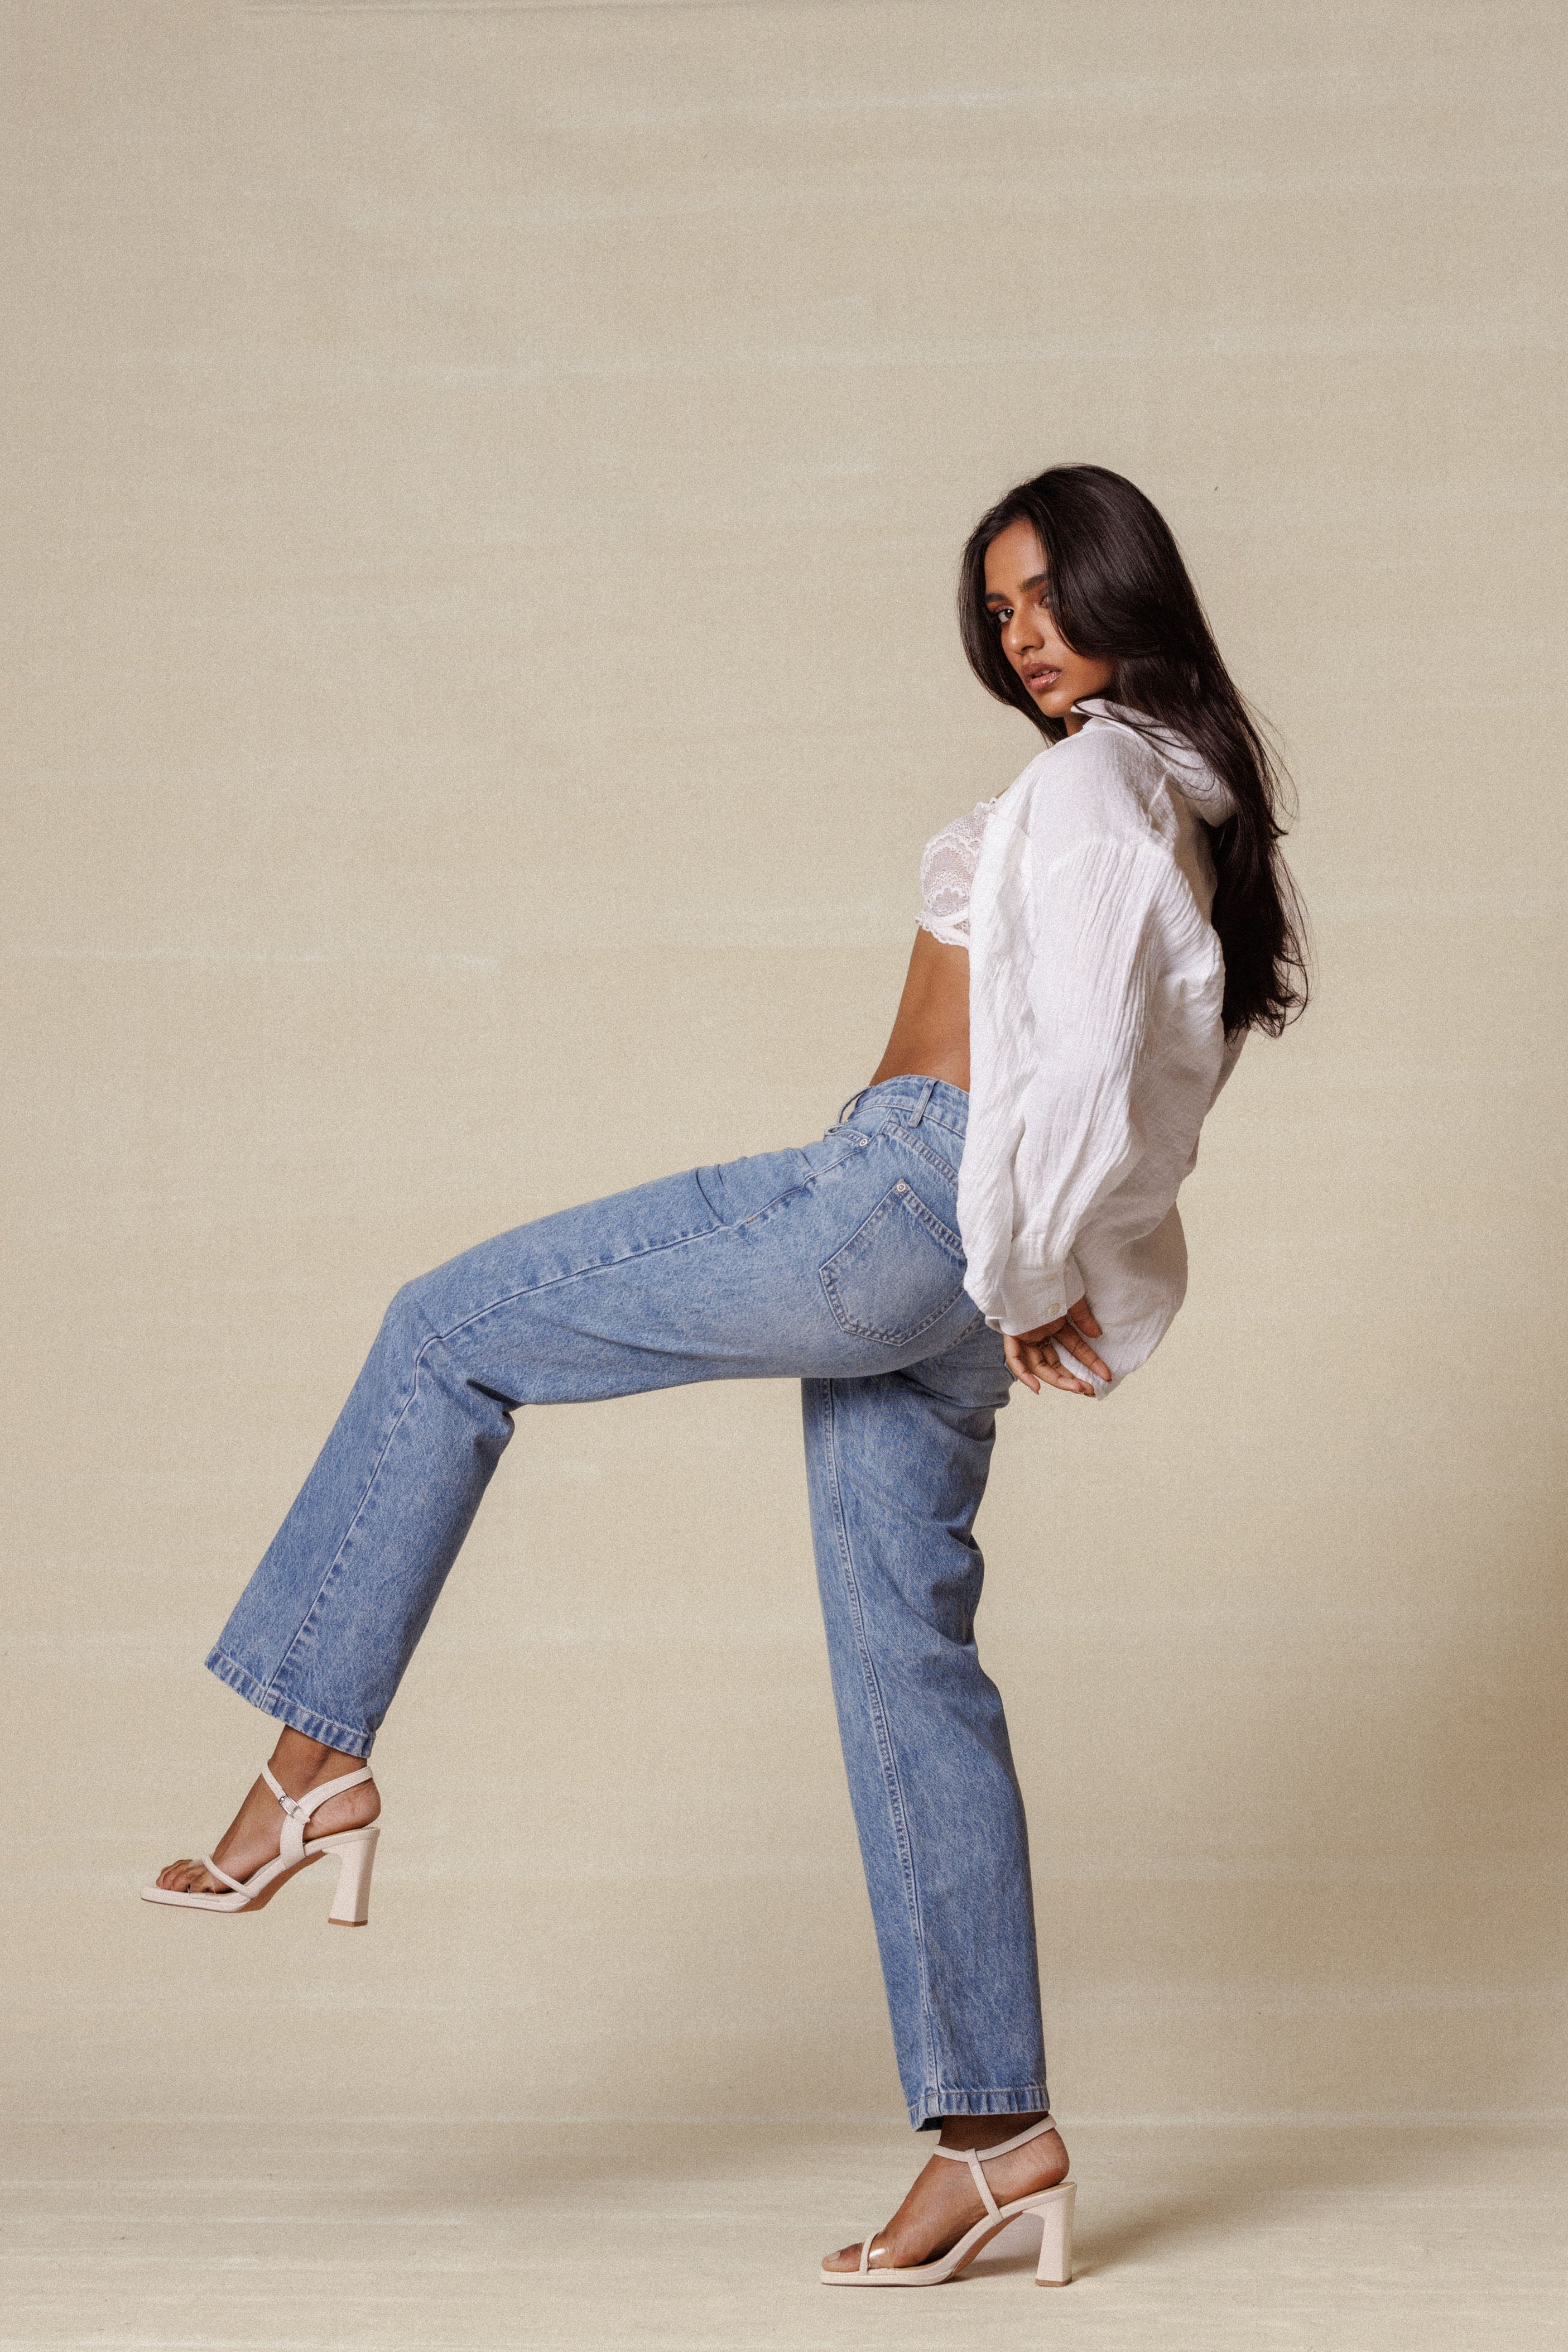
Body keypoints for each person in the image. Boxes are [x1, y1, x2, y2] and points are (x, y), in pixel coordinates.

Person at [143, 463, 1307, 2289]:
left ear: (1125, 586)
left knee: (446, 1329)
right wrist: (1044, 1278)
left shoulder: (1095, 787)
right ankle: (994, 2143)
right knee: (907, 1669)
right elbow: (1143, 1107)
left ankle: (307, 1767)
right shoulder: (1186, 810)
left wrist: (1018, 1268)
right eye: (996, 609)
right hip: (959, 1253)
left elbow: (1082, 1085)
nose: (1019, 634)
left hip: (903, 1202)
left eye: (1044, 594)